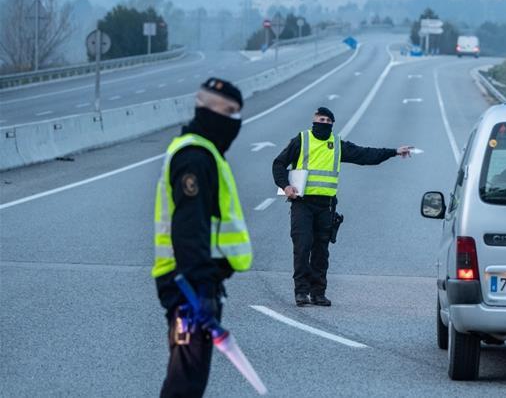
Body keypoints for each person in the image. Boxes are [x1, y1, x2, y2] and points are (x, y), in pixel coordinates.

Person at [152, 78, 252, 397]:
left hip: (195, 283)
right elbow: (188, 226)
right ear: (207, 109)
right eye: (230, 112)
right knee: (186, 381)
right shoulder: (195, 156)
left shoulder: (204, 152)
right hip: (187, 287)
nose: (234, 122)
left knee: (190, 377)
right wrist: (197, 295)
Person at [272, 107, 411, 307]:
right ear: (314, 120)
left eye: (328, 121)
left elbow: (365, 155)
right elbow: (278, 164)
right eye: (321, 119)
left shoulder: (336, 145)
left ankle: (318, 293)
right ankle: (301, 292)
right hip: (302, 204)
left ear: (332, 124)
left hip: (325, 207)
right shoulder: (301, 140)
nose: (325, 123)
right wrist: (285, 186)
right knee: (302, 247)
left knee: (321, 251)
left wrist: (394, 152)